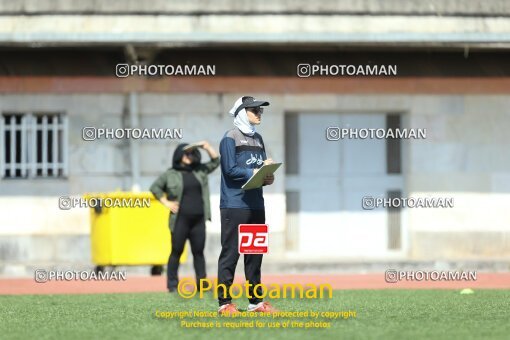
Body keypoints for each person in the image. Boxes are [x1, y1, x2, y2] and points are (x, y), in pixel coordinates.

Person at [217, 96, 276, 314]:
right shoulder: (229, 138)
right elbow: (229, 170)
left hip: (255, 205)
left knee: (254, 255)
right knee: (230, 254)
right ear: (242, 112)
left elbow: (258, 170)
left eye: (261, 111)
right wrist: (253, 172)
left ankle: (255, 302)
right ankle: (224, 303)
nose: (259, 113)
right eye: (255, 110)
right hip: (234, 204)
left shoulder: (258, 139)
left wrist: (267, 176)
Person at [150, 141, 219, 292]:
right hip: (180, 220)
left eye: (191, 153)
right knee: (176, 251)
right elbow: (155, 188)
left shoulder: (199, 170)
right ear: (179, 155)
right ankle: (172, 285)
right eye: (186, 153)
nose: (188, 156)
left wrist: (207, 147)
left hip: (198, 220)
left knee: (199, 252)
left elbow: (216, 162)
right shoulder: (170, 174)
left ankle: (202, 285)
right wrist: (166, 202)